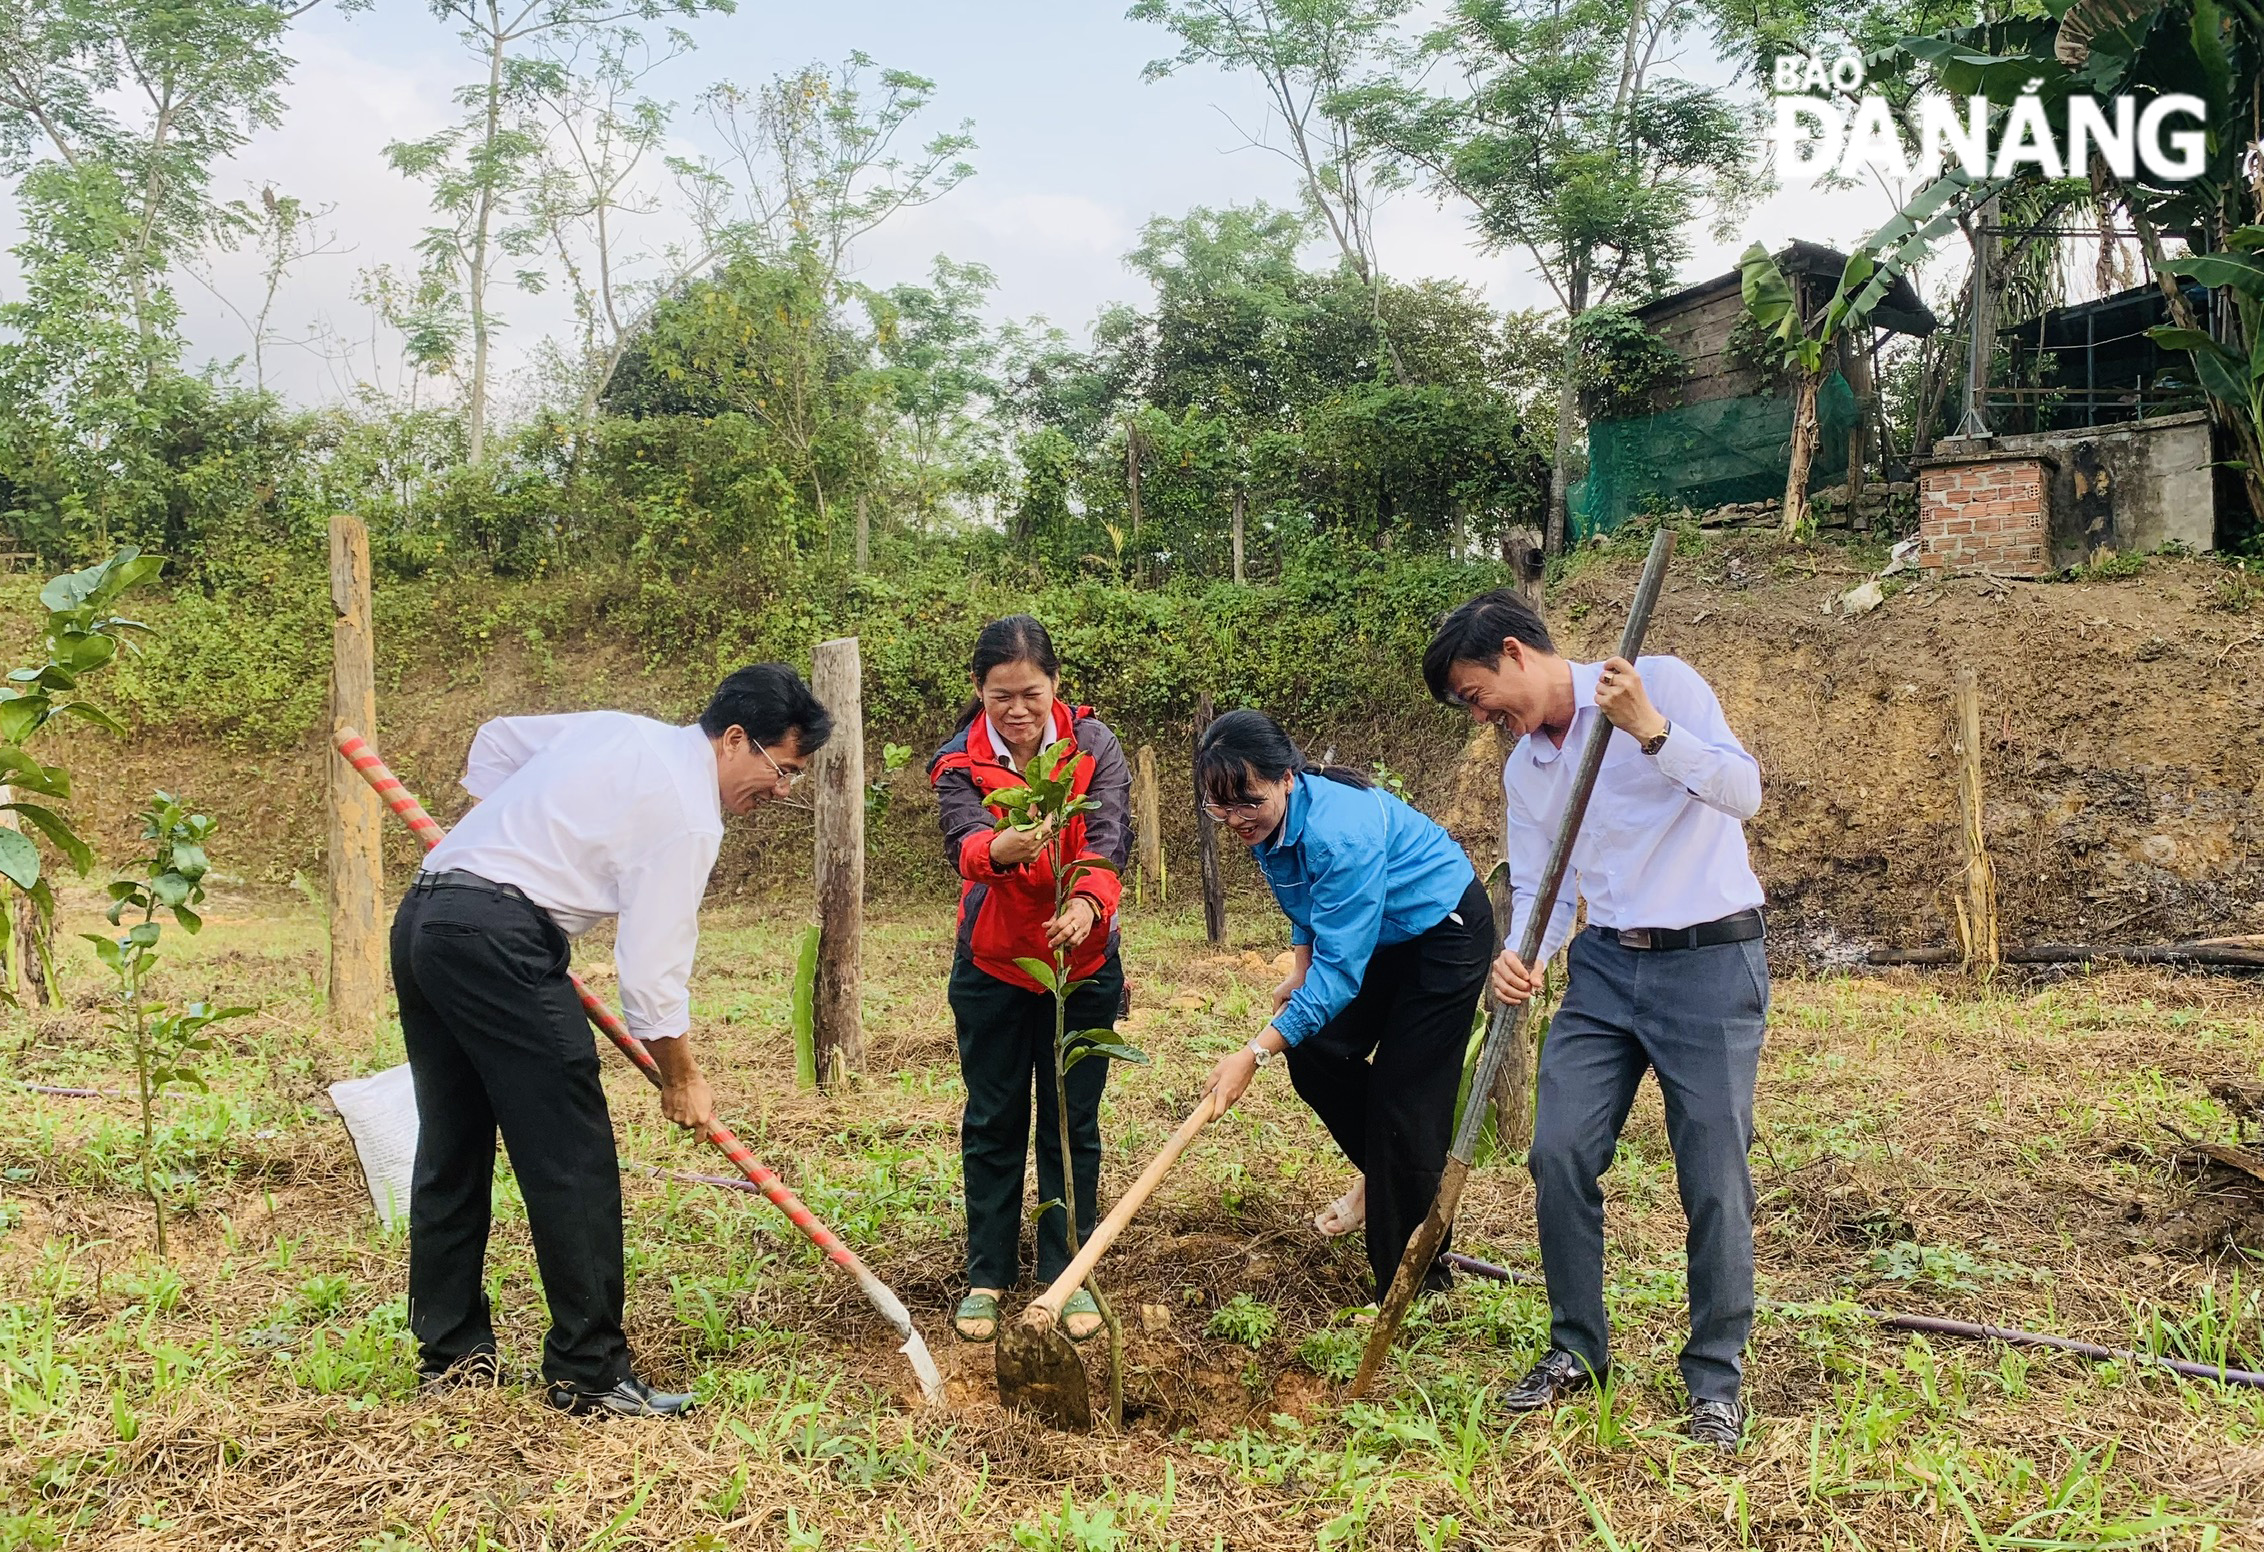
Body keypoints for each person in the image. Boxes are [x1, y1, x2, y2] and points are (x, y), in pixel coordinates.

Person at [396, 664, 832, 1418]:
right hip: (500, 939)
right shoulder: (691, 813)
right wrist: (682, 1077)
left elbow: (496, 741)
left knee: (453, 1143)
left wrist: (507, 832)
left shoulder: (616, 729)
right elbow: (653, 969)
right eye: (782, 769)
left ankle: (454, 1358)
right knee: (571, 1157)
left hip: (429, 917)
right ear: (734, 740)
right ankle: (588, 1373)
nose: (783, 790)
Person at [1423, 588, 1766, 1453]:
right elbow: (1545, 883)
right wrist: (1525, 951)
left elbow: (1743, 792)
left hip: (1710, 961)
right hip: (1606, 970)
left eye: (1475, 694)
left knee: (1713, 1174)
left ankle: (1714, 1377)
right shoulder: (1525, 769)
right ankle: (1578, 1348)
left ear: (1513, 653)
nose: (1481, 715)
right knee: (1558, 1149)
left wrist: (1651, 729)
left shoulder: (1658, 683)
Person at [1195, 710, 1493, 1303]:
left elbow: (1341, 977)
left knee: (1403, 1103)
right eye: (1219, 808)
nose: (1234, 820)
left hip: (1442, 934)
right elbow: (1301, 898)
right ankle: (1389, 1174)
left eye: (1246, 803)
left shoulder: (1340, 831)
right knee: (1313, 1045)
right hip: (1378, 935)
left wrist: (1252, 1054)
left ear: (1286, 777)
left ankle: (1415, 1291)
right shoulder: (1267, 820)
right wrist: (1299, 966)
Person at [928, 617, 1131, 1345]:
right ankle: (987, 1274)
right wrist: (1001, 847)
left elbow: (1109, 838)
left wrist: (1085, 903)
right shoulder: (960, 761)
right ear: (979, 692)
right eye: (1000, 696)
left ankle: (1064, 1273)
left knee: (1072, 1121)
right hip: (994, 966)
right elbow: (963, 843)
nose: (1017, 710)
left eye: (1031, 694)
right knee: (994, 1119)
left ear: (1055, 686)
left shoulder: (1092, 746)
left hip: (1081, 966)